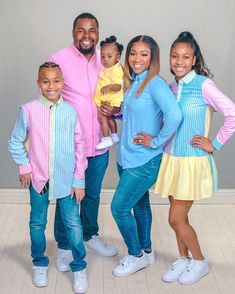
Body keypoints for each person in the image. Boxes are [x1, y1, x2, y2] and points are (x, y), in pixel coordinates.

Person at [154, 31, 235, 285]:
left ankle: (199, 261)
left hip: (192, 162)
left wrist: (215, 143)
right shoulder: (171, 87)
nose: (179, 61)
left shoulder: (203, 85)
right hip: (171, 160)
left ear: (194, 59)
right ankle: (184, 258)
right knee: (180, 219)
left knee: (175, 218)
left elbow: (232, 113)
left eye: (185, 56)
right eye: (174, 56)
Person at [8, 62, 88, 294]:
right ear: (38, 83)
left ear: (62, 82)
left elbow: (79, 147)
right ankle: (39, 263)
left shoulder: (70, 112)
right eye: (46, 81)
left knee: (73, 224)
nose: (51, 86)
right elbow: (15, 140)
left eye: (56, 80)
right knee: (37, 222)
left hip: (67, 179)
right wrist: (25, 167)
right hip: (39, 179)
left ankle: (79, 266)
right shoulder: (29, 110)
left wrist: (79, 179)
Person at [47, 13, 118, 267]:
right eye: (81, 30)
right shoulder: (57, 59)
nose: (87, 35)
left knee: (92, 195)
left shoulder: (108, 58)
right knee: (66, 195)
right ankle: (64, 245)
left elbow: (117, 93)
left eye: (92, 30)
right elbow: (46, 101)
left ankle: (89, 235)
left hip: (99, 143)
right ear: (73, 32)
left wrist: (115, 111)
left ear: (98, 33)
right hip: (71, 146)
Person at [110, 35, 182, 277]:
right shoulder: (134, 82)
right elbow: (136, 114)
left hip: (144, 160)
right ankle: (147, 250)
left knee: (119, 208)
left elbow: (174, 116)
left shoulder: (156, 84)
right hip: (126, 158)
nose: (136, 58)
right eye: (133, 53)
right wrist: (116, 114)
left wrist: (157, 141)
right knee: (140, 206)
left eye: (143, 54)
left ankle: (136, 255)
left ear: (153, 57)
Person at [94, 35, 124, 150]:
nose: (105, 59)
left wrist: (109, 87)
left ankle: (106, 139)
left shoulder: (116, 69)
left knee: (102, 117)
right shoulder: (108, 68)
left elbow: (118, 86)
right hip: (108, 99)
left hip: (111, 100)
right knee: (109, 118)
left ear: (117, 57)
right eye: (102, 56)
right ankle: (114, 135)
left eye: (109, 56)